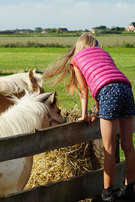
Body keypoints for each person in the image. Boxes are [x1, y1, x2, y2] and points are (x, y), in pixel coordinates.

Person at [43, 33, 135, 201]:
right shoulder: (104, 53)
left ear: (78, 47)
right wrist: (100, 112)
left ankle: (108, 192)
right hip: (126, 88)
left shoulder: (77, 58)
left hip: (108, 92)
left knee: (109, 148)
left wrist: (84, 115)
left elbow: (85, 91)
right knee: (128, 146)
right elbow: (108, 77)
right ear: (96, 45)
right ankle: (131, 188)